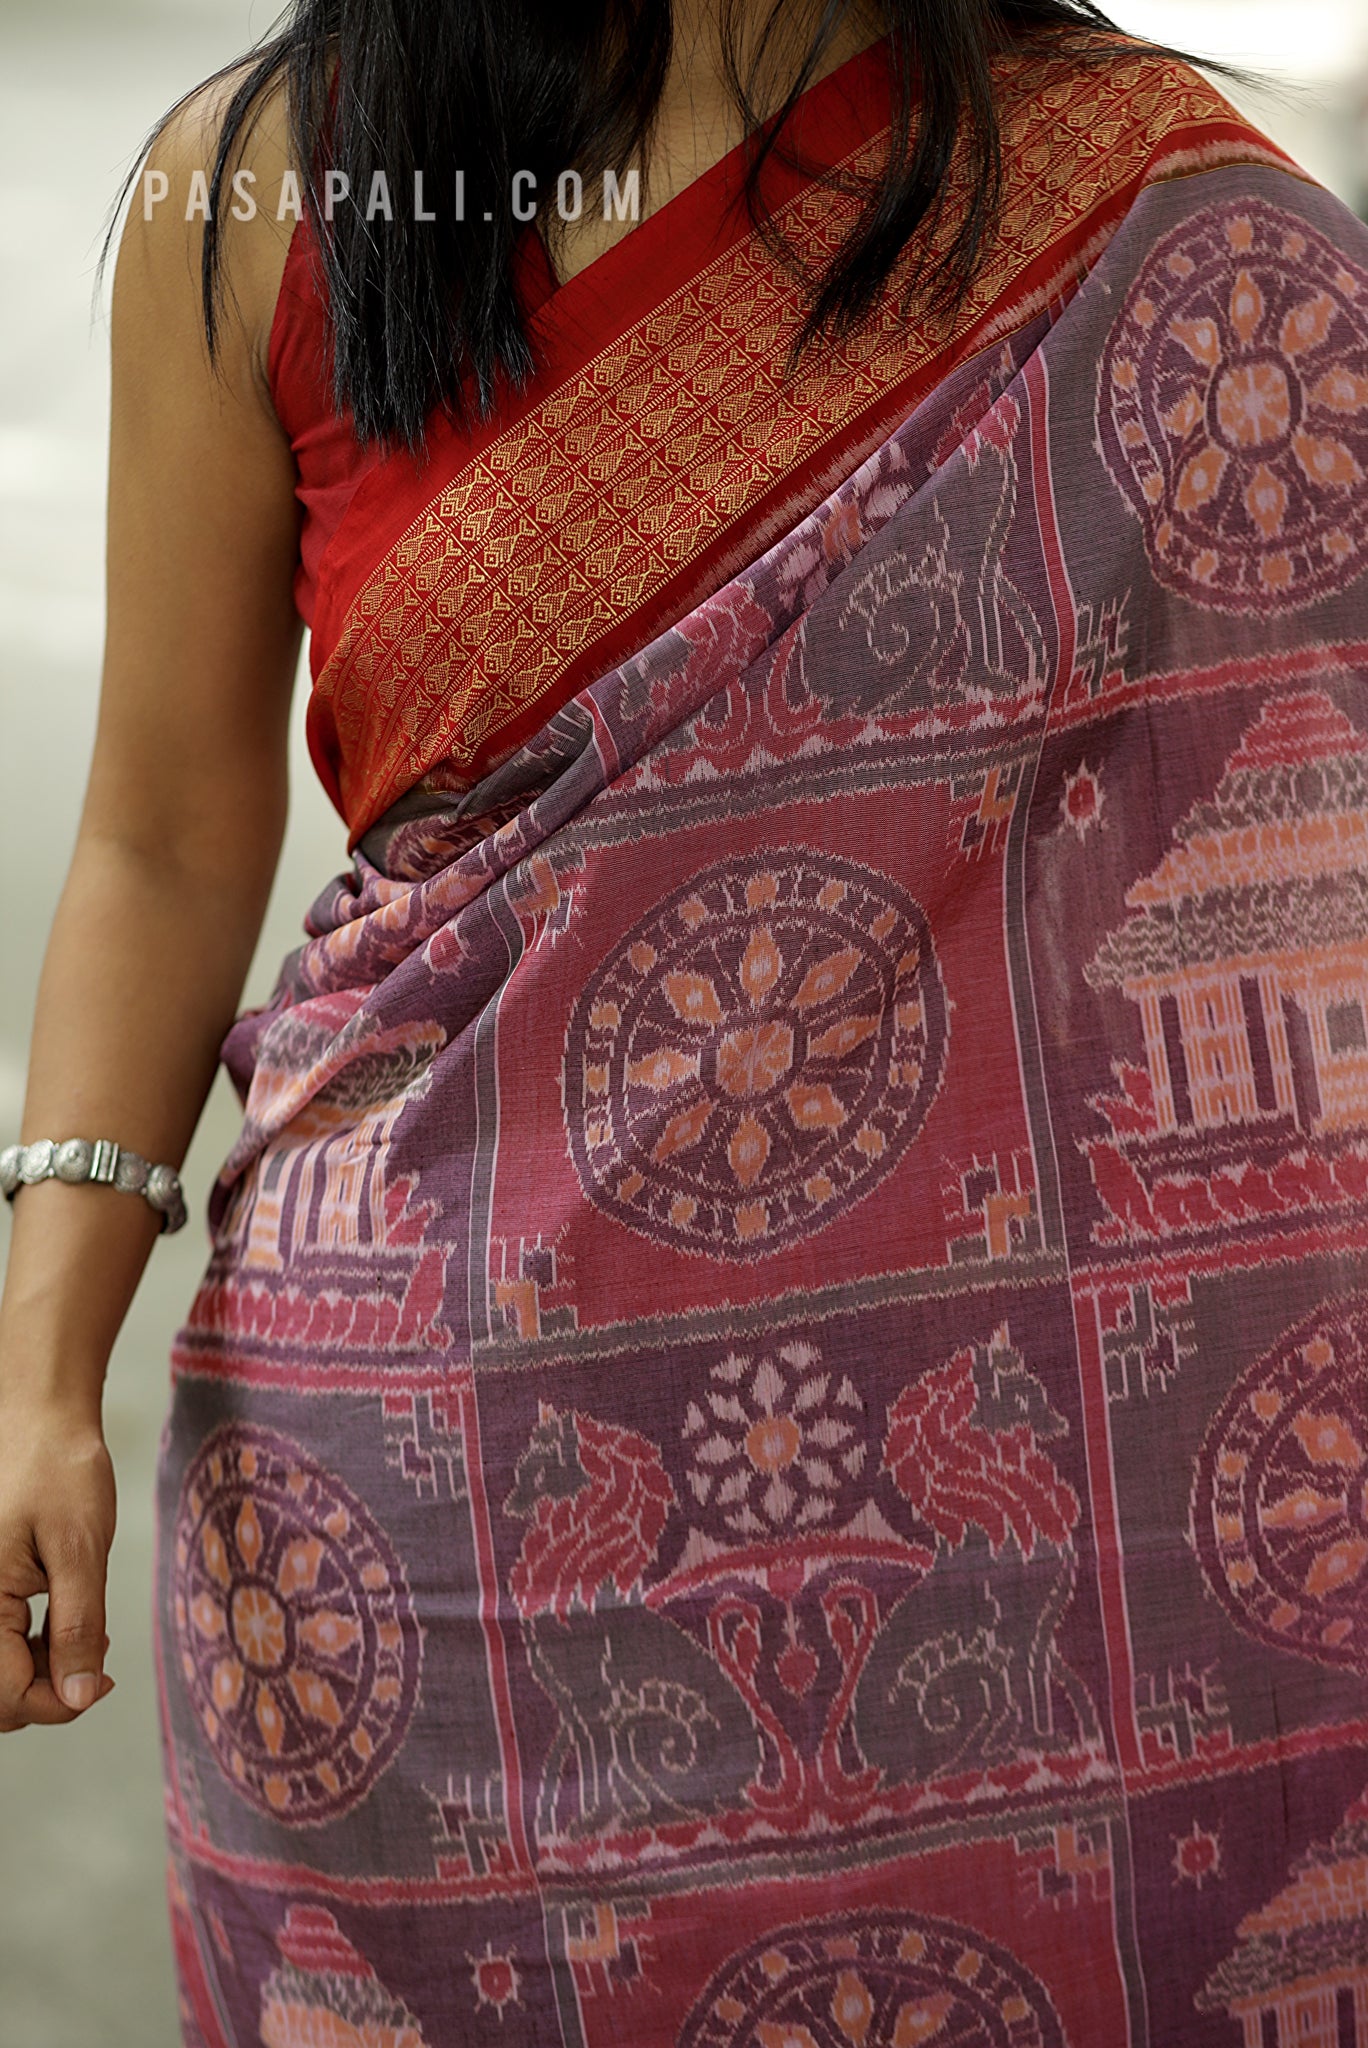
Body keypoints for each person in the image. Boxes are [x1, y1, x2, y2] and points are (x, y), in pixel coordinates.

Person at [3, 1, 1368, 2041]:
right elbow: (164, 836)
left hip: (1105, 1531)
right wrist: (39, 1368)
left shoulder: (1159, 216)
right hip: (450, 1543)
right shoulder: (273, 191)